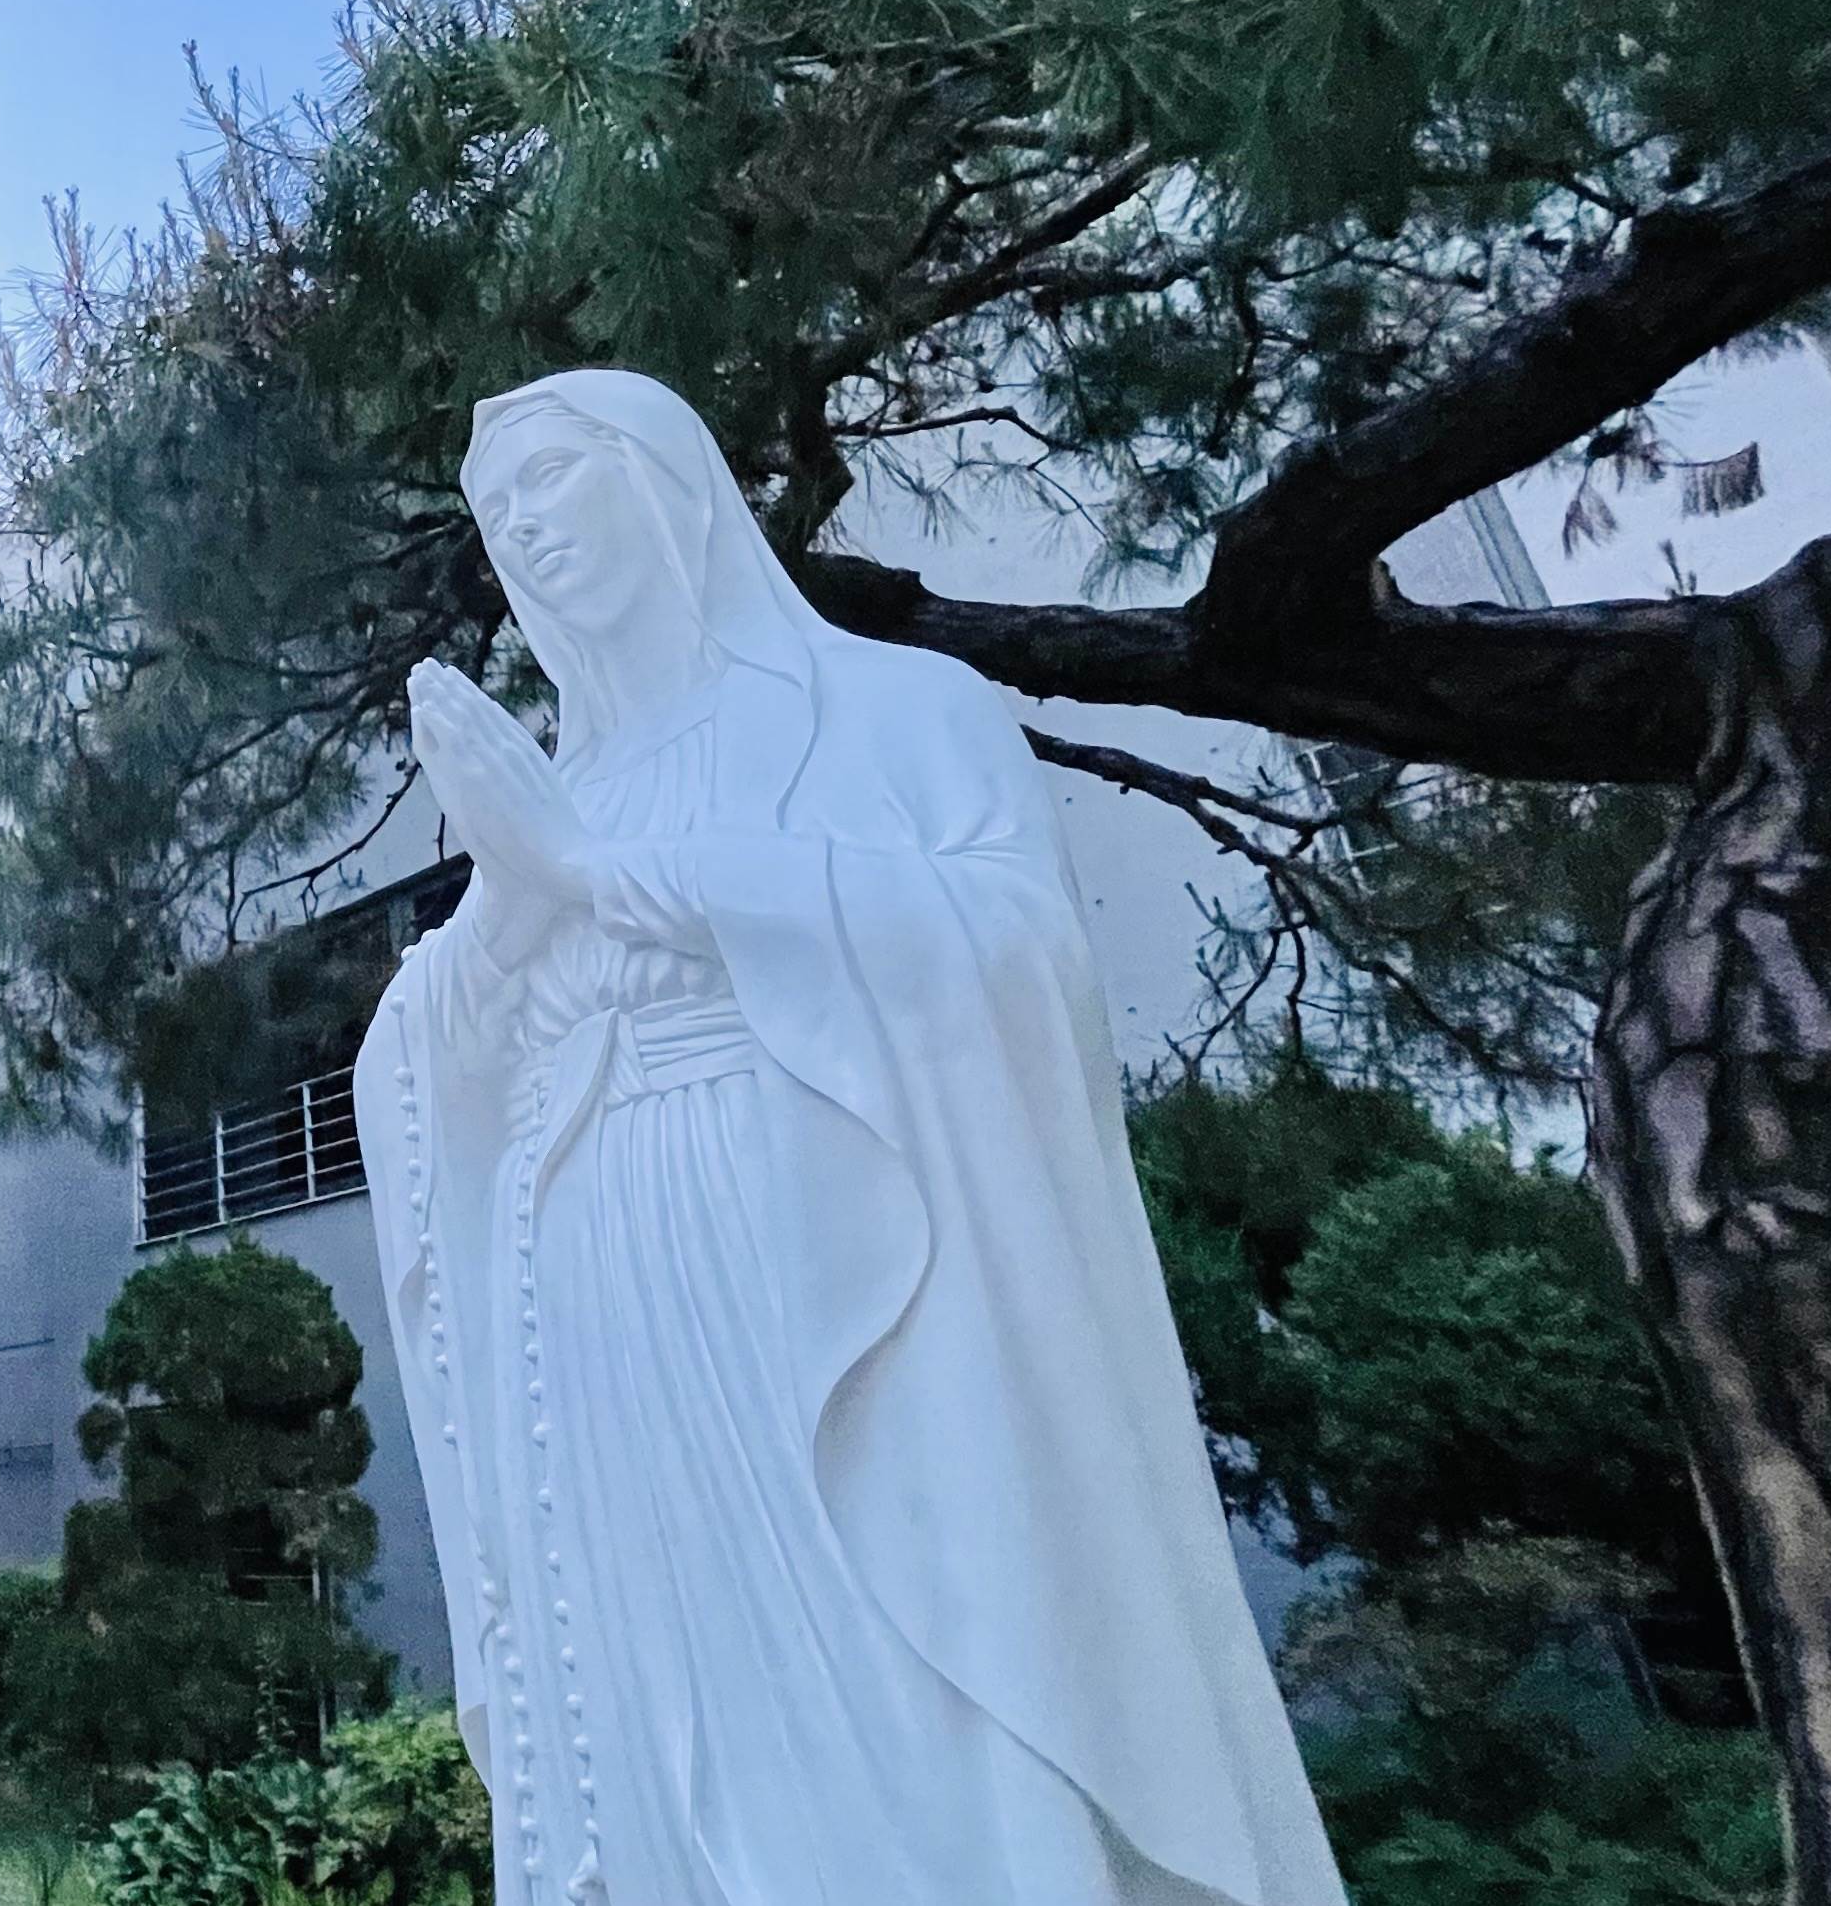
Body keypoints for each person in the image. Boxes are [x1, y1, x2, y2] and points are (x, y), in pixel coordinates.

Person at [366, 368, 1342, 1906]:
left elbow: (1015, 953)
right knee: (664, 1672)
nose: (524, 528)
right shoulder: (553, 795)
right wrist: (505, 918)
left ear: (672, 481)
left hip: (832, 1252)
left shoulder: (895, 712)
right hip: (597, 1289)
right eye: (497, 514)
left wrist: (615, 879)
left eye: (552, 478)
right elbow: (439, 1067)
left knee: (891, 1673)